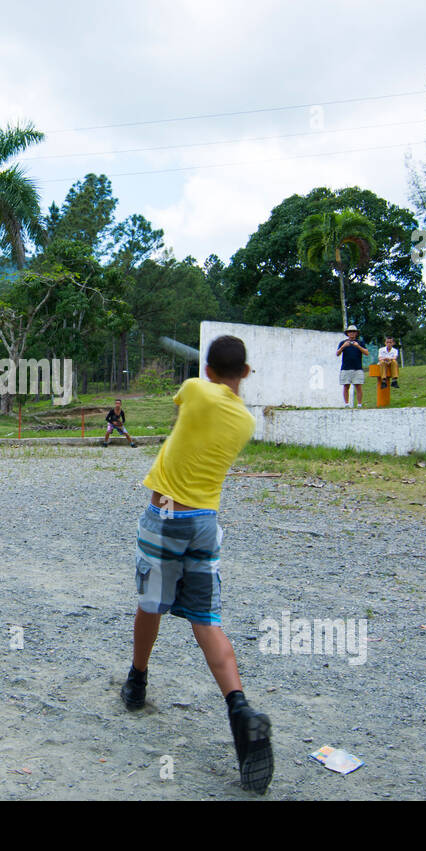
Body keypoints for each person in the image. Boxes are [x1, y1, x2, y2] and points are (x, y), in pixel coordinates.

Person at [120, 335, 273, 795]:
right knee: (206, 619)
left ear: (207, 368)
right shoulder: (245, 423)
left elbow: (188, 399)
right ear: (245, 373)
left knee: (151, 604)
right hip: (206, 522)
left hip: (165, 516)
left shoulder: (194, 388)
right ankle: (240, 709)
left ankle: (138, 680)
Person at [336, 325, 369, 408]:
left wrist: (357, 346)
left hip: (357, 368)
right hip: (346, 367)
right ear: (347, 333)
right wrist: (343, 346)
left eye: (353, 332)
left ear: (356, 333)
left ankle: (359, 404)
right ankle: (346, 404)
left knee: (358, 386)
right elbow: (337, 353)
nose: (352, 333)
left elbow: (366, 353)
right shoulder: (343, 343)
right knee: (346, 386)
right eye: (350, 332)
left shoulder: (360, 343)